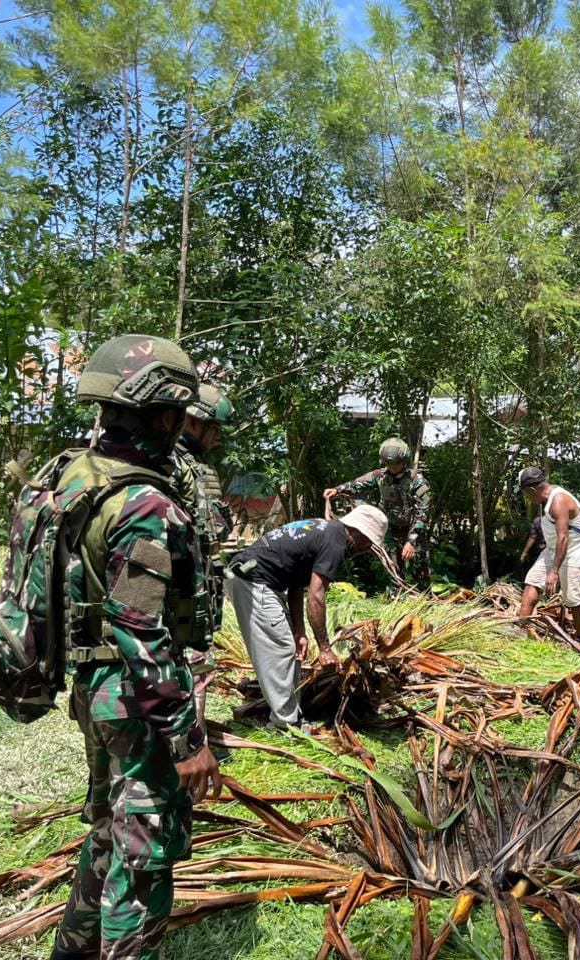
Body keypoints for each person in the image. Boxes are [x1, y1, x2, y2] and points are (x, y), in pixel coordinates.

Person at [51, 335, 220, 960]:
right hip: (137, 699)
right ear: (165, 414)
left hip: (95, 689)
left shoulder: (75, 477)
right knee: (144, 862)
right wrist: (186, 738)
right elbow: (140, 623)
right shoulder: (146, 502)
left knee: (104, 833)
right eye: (180, 414)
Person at [228, 505, 388, 729]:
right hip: (255, 580)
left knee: (291, 646)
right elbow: (316, 596)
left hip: (255, 577)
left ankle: (288, 714)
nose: (367, 548)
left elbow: (296, 585)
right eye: (368, 542)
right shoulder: (336, 542)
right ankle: (285, 724)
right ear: (359, 531)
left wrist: (299, 631)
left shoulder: (324, 531)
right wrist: (324, 648)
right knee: (281, 649)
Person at [173, 384, 235, 732]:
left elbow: (215, 529)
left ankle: (192, 738)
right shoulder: (170, 465)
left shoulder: (200, 468)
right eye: (215, 430)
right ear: (193, 422)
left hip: (202, 590)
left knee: (200, 669)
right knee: (191, 670)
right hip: (182, 595)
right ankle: (189, 745)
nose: (218, 439)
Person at [324, 438, 432, 590]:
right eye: (389, 464)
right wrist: (337, 490)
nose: (392, 468)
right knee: (393, 570)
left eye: (396, 464)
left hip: (414, 531)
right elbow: (358, 484)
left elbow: (422, 514)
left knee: (421, 573)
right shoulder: (380, 476)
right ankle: (396, 602)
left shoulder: (418, 481)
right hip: (391, 531)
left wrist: (412, 541)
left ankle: (426, 603)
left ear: (404, 461)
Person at [517, 467, 580, 646]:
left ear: (531, 490)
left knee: (573, 599)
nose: (526, 497)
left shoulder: (558, 501)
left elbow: (564, 537)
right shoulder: (546, 499)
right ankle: (520, 629)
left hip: (575, 552)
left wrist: (553, 572)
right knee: (533, 581)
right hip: (554, 549)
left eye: (525, 493)